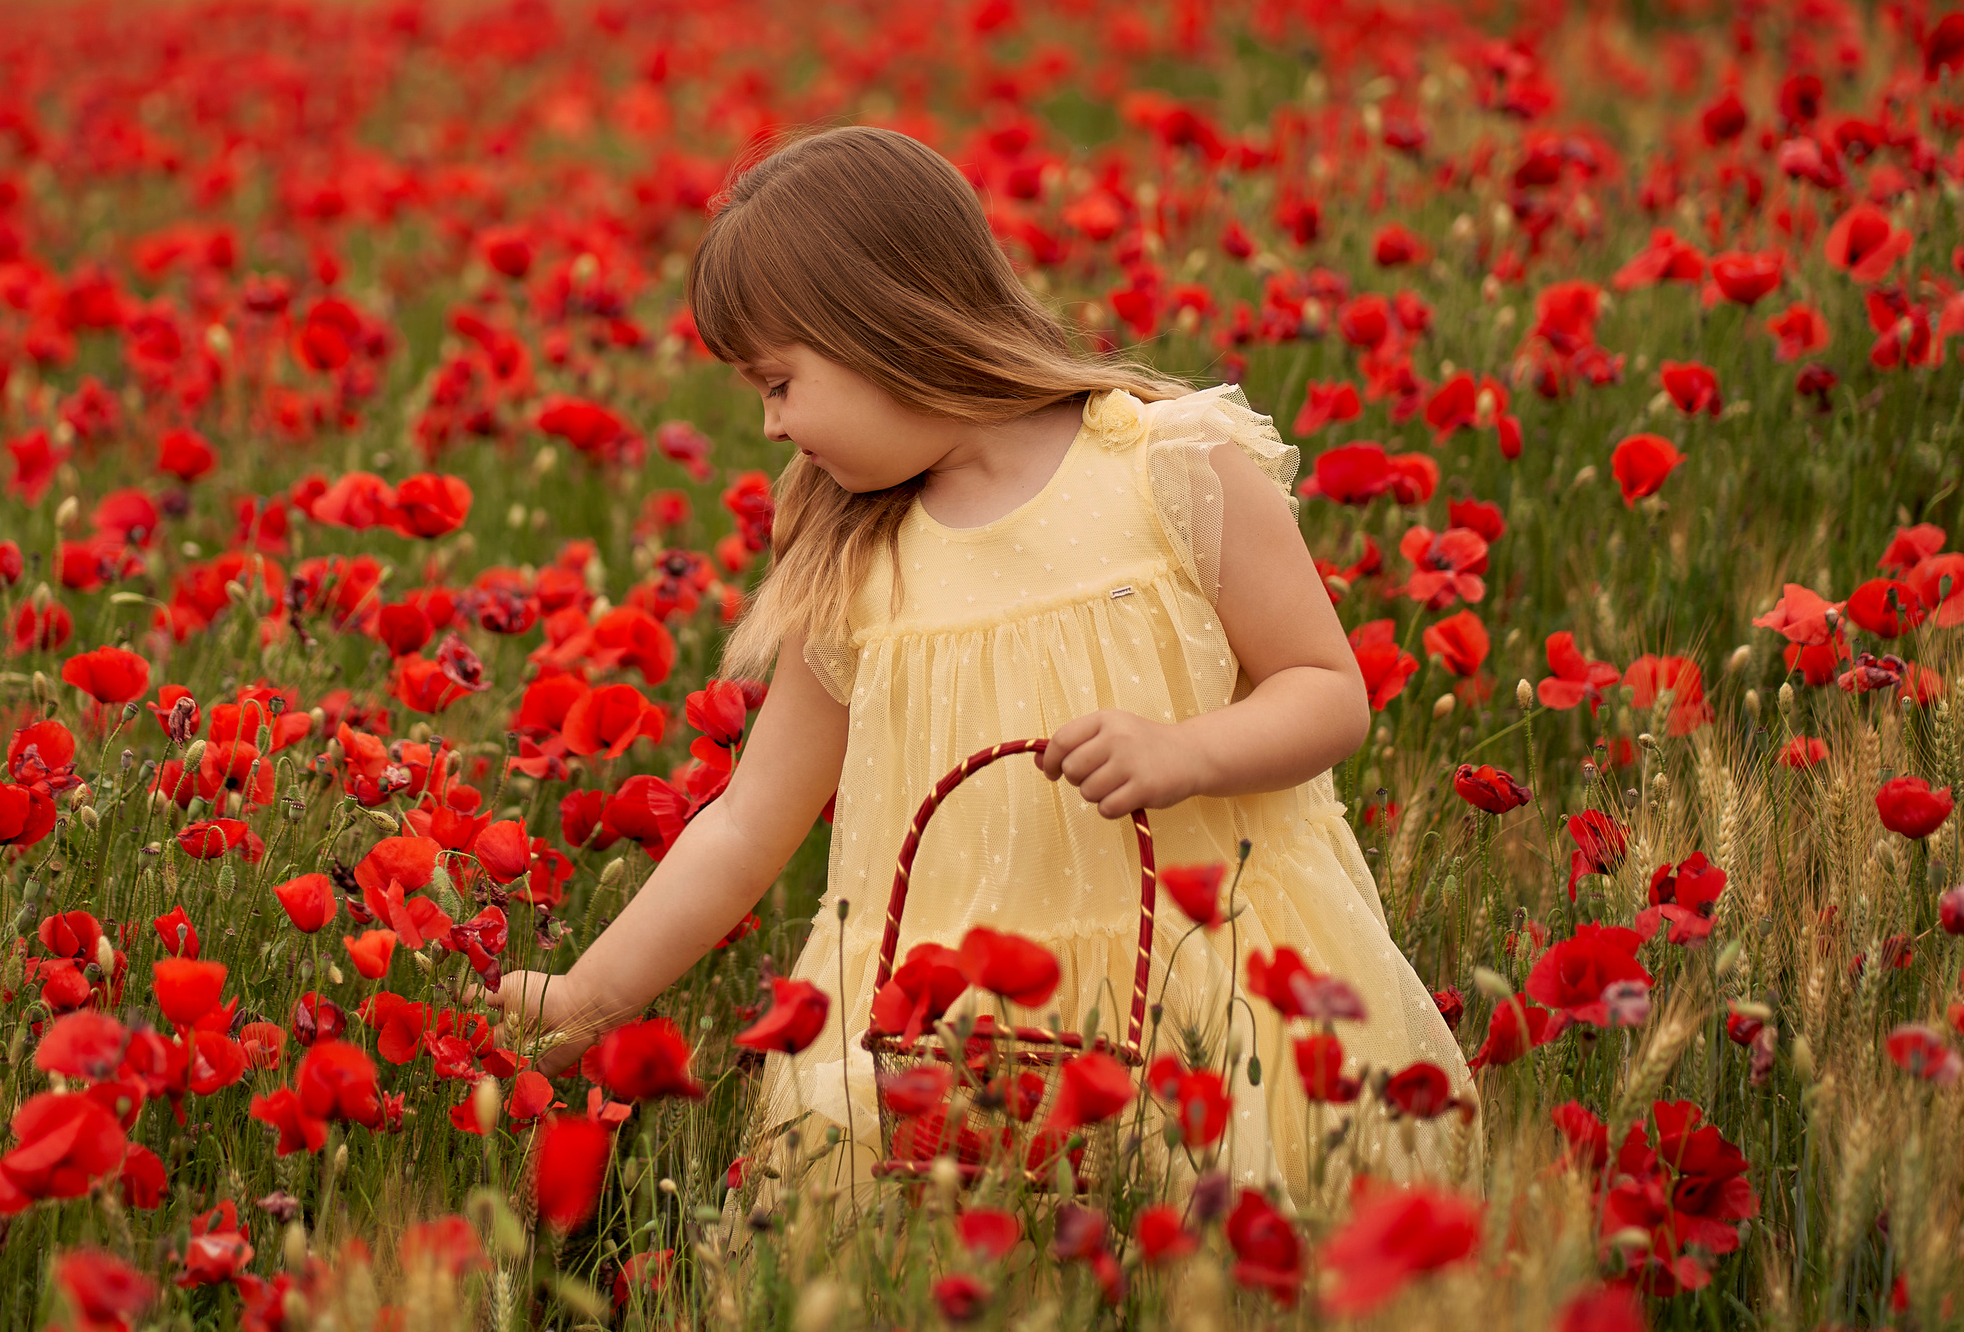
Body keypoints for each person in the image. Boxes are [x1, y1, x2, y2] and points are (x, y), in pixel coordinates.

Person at [490, 125, 1470, 1217]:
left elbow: (1328, 694)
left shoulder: (1167, 470)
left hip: (1203, 986)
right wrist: (587, 996)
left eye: (778, 382)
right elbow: (744, 824)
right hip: (939, 1024)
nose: (770, 424)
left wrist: (1188, 750)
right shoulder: (851, 558)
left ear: (879, 328)